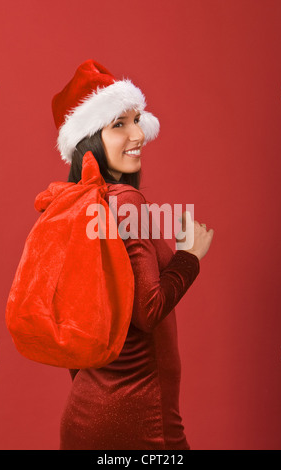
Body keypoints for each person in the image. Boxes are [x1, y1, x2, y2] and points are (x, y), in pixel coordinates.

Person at [51, 59, 214, 450]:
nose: (138, 133)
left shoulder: (81, 203)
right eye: (118, 124)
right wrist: (189, 255)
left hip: (88, 413)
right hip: (139, 420)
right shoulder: (126, 201)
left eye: (136, 119)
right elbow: (148, 309)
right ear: (89, 139)